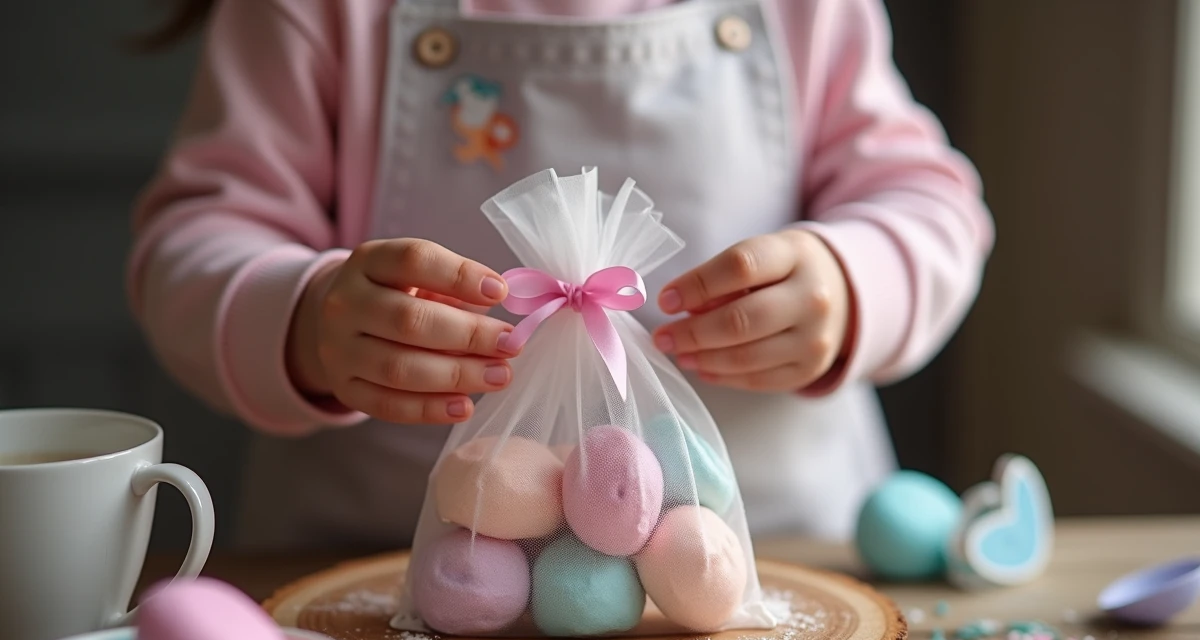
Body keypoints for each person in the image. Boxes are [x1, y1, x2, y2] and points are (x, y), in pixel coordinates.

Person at [127, 0, 994, 551]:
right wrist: (302, 320)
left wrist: (853, 284)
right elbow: (195, 239)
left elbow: (927, 199)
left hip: (775, 551)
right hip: (378, 564)